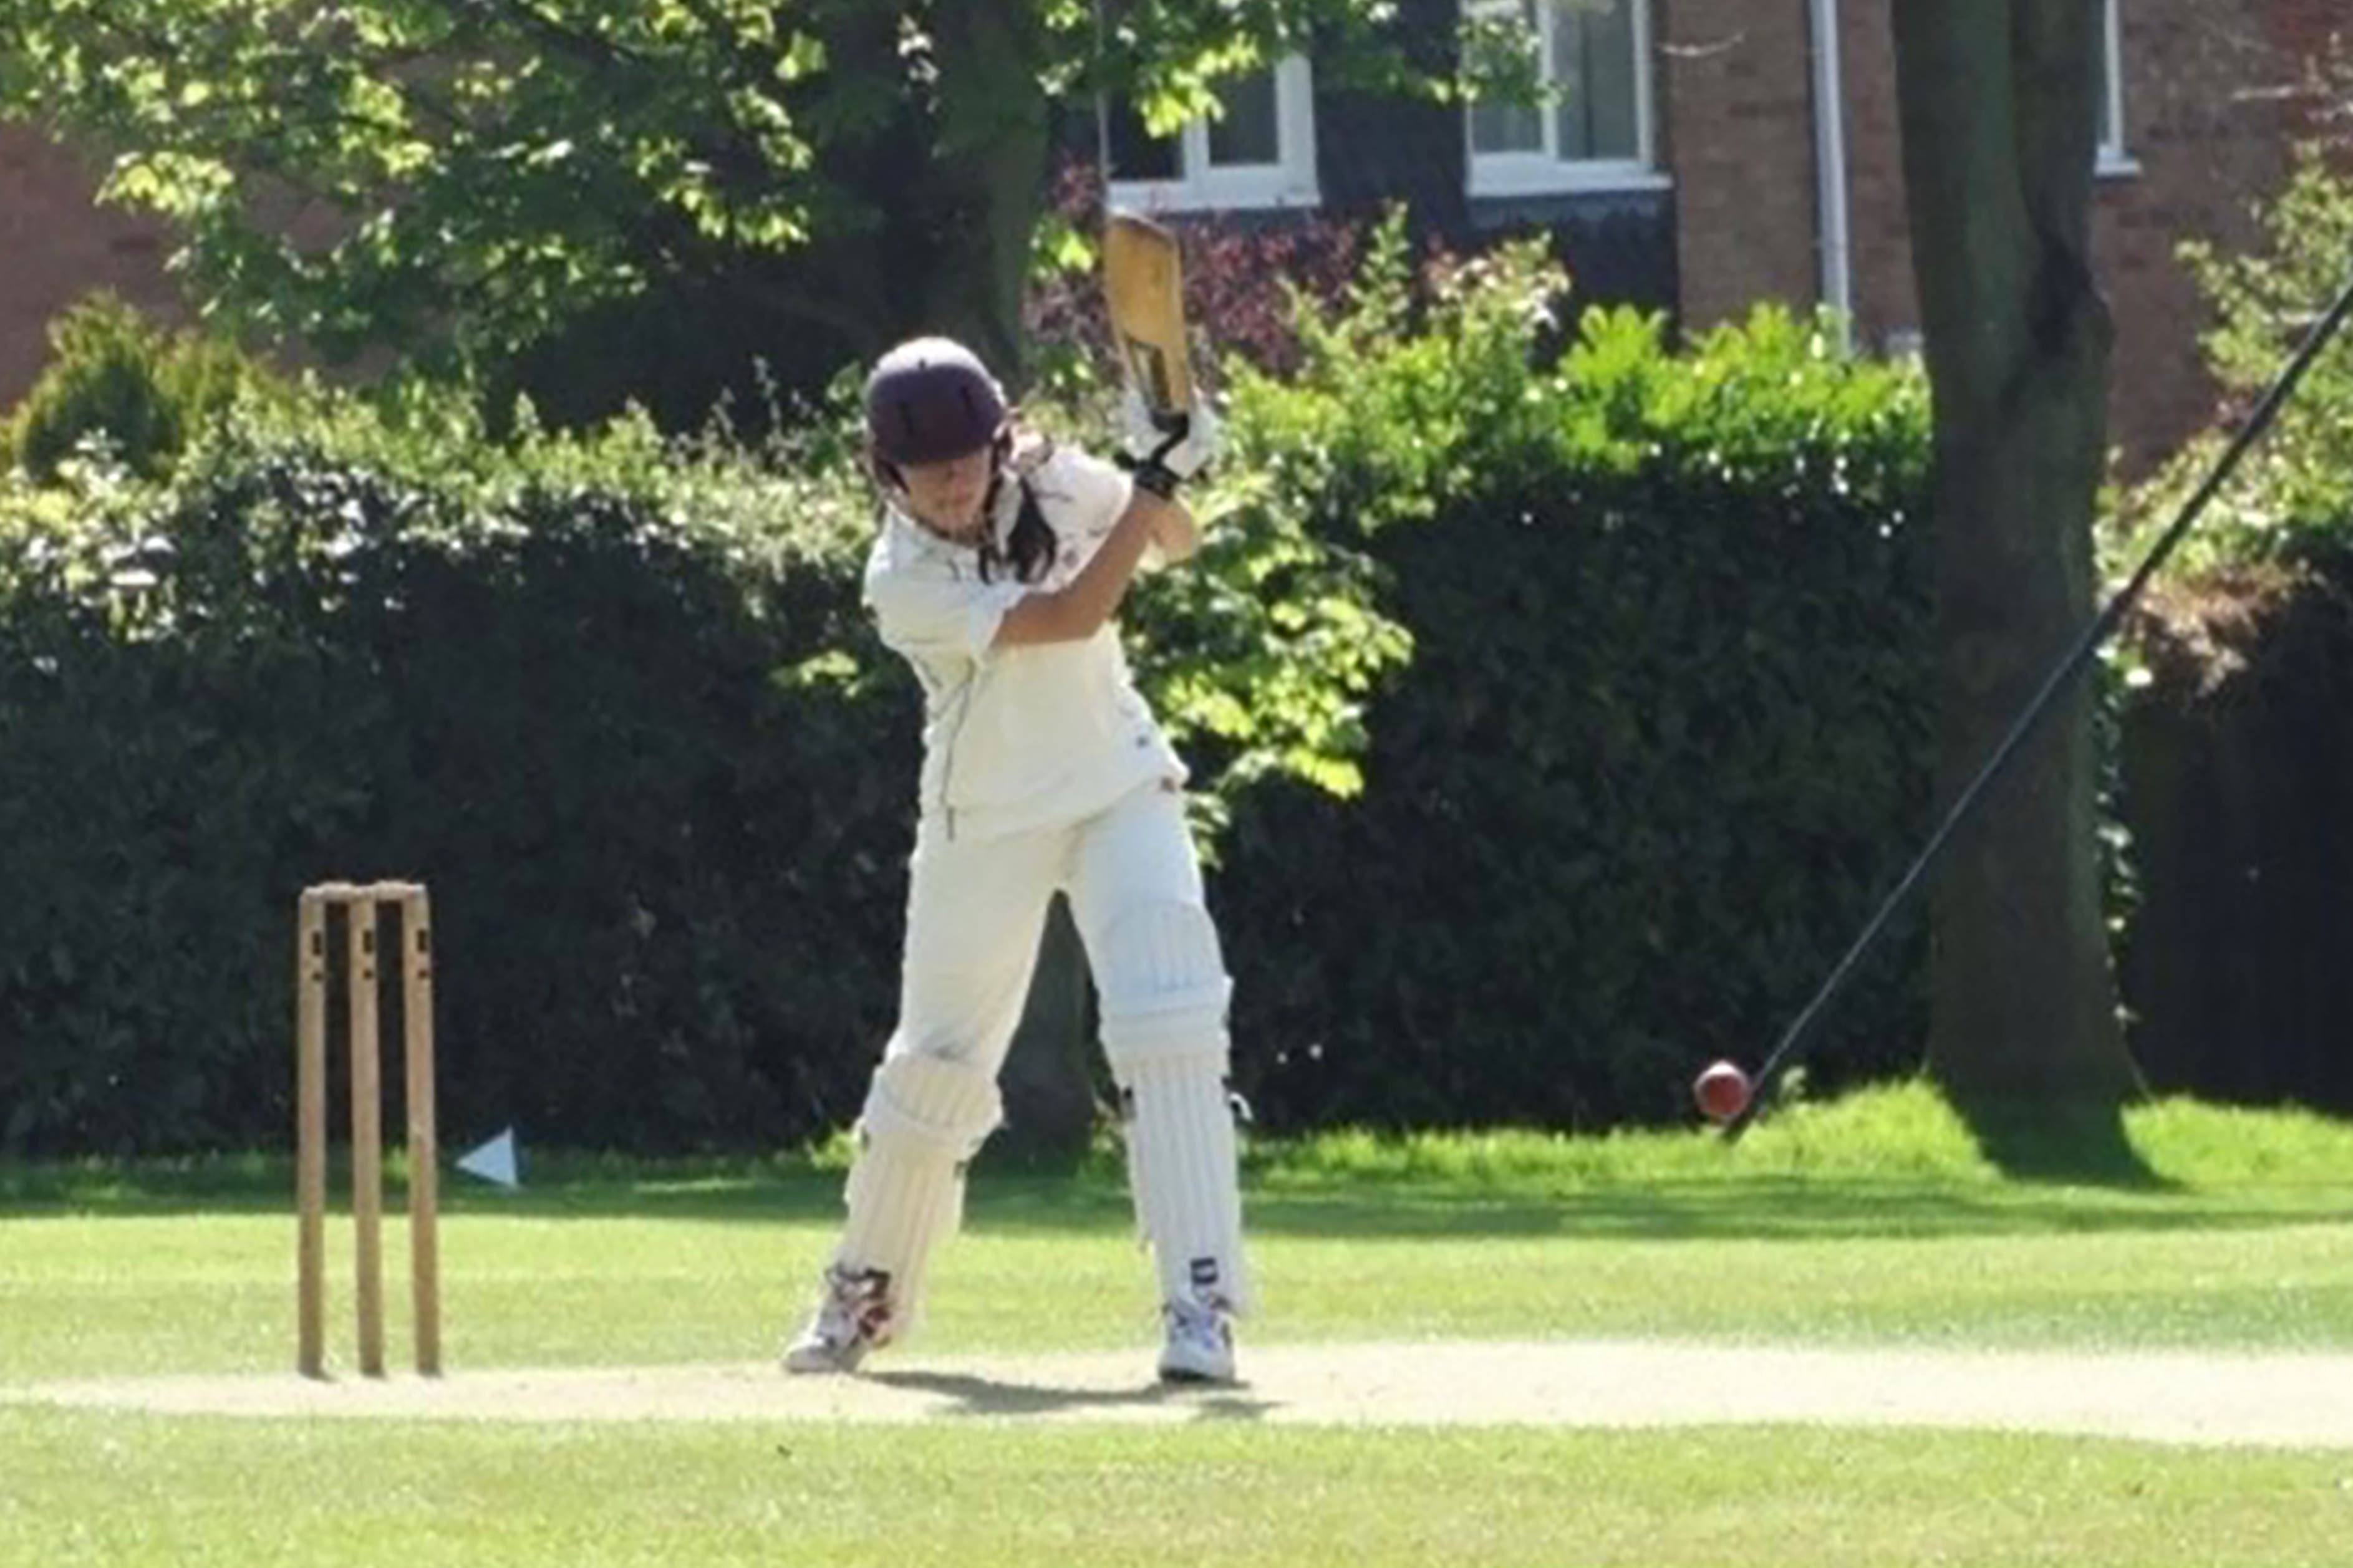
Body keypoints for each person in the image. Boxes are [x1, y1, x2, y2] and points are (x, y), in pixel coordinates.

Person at [780, 336, 1252, 1384]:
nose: (951, 487)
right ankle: (864, 1292)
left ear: (997, 443)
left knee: (1170, 1020)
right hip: (983, 818)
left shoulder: (1049, 476)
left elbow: (1176, 545)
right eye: (925, 471)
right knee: (936, 1067)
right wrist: (1149, 489)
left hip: (1117, 786)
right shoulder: (901, 580)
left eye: (965, 461)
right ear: (884, 472)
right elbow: (1071, 613)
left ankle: (1202, 1304)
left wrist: (1164, 465)